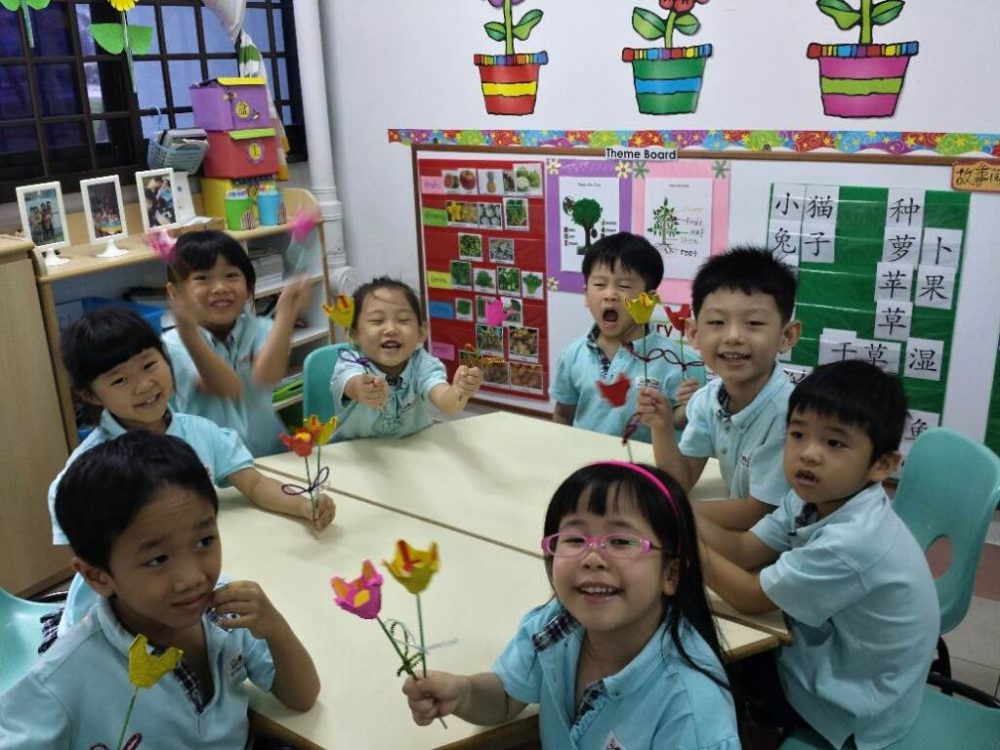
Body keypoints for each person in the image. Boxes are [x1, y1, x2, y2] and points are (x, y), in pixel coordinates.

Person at [1, 432, 320, 748]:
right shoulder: (65, 677)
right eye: (158, 560)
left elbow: (302, 696)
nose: (192, 578)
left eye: (204, 541)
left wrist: (275, 628)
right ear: (98, 577)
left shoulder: (228, 612)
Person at [402, 461, 739, 749]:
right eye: (575, 539)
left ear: (671, 573)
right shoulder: (555, 626)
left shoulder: (691, 710)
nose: (592, 557)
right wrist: (463, 693)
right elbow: (506, 695)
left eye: (621, 541)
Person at [698, 361, 938, 749]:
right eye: (797, 434)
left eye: (835, 443)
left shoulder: (854, 540)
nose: (808, 454)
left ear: (882, 465)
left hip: (853, 703)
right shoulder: (813, 497)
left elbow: (749, 596)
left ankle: (758, 731)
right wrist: (673, 510)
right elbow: (745, 550)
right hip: (833, 649)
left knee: (716, 660)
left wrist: (682, 542)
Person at [48, 308, 334, 630]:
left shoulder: (199, 432)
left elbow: (254, 484)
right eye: (119, 380)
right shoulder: (88, 472)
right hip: (127, 609)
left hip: (194, 578)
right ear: (89, 394)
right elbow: (91, 558)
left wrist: (302, 504)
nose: (144, 385)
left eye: (149, 365)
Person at [638, 247, 801, 530]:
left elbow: (757, 512)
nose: (733, 336)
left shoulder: (789, 416)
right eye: (717, 322)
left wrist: (663, 512)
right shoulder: (708, 399)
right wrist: (662, 427)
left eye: (753, 323)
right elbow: (682, 479)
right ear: (694, 333)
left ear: (786, 336)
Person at [163, 230, 309, 457]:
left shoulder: (261, 327)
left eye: (231, 275)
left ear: (249, 286)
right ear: (175, 292)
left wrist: (286, 315)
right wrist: (188, 332)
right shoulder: (173, 345)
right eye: (202, 278)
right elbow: (227, 387)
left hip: (269, 453)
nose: (220, 287)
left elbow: (268, 376)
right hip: (212, 463)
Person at [551, 232, 702, 444]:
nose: (610, 294)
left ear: (649, 299)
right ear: (586, 295)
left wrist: (689, 407)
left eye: (624, 286)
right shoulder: (573, 355)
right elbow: (563, 414)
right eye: (600, 284)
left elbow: (678, 423)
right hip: (586, 461)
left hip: (643, 463)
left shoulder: (674, 360)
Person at [331, 277, 483, 440]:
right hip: (357, 450)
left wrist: (459, 392)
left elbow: (446, 404)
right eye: (377, 321)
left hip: (413, 448)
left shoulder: (422, 364)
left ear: (421, 332)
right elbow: (351, 384)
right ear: (353, 334)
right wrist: (362, 388)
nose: (391, 329)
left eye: (403, 320)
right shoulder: (351, 361)